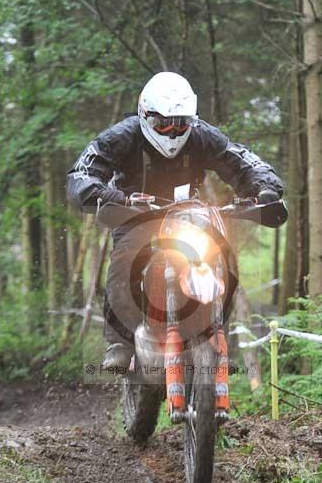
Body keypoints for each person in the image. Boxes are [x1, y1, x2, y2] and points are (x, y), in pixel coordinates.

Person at [67, 72, 284, 368]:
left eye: (180, 123)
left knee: (223, 256)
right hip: (134, 213)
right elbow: (82, 172)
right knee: (125, 255)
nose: (172, 131)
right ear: (145, 116)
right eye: (163, 123)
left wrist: (265, 189)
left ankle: (219, 337)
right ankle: (119, 341)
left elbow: (241, 160)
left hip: (188, 214)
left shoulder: (201, 136)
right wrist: (104, 194)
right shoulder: (122, 136)